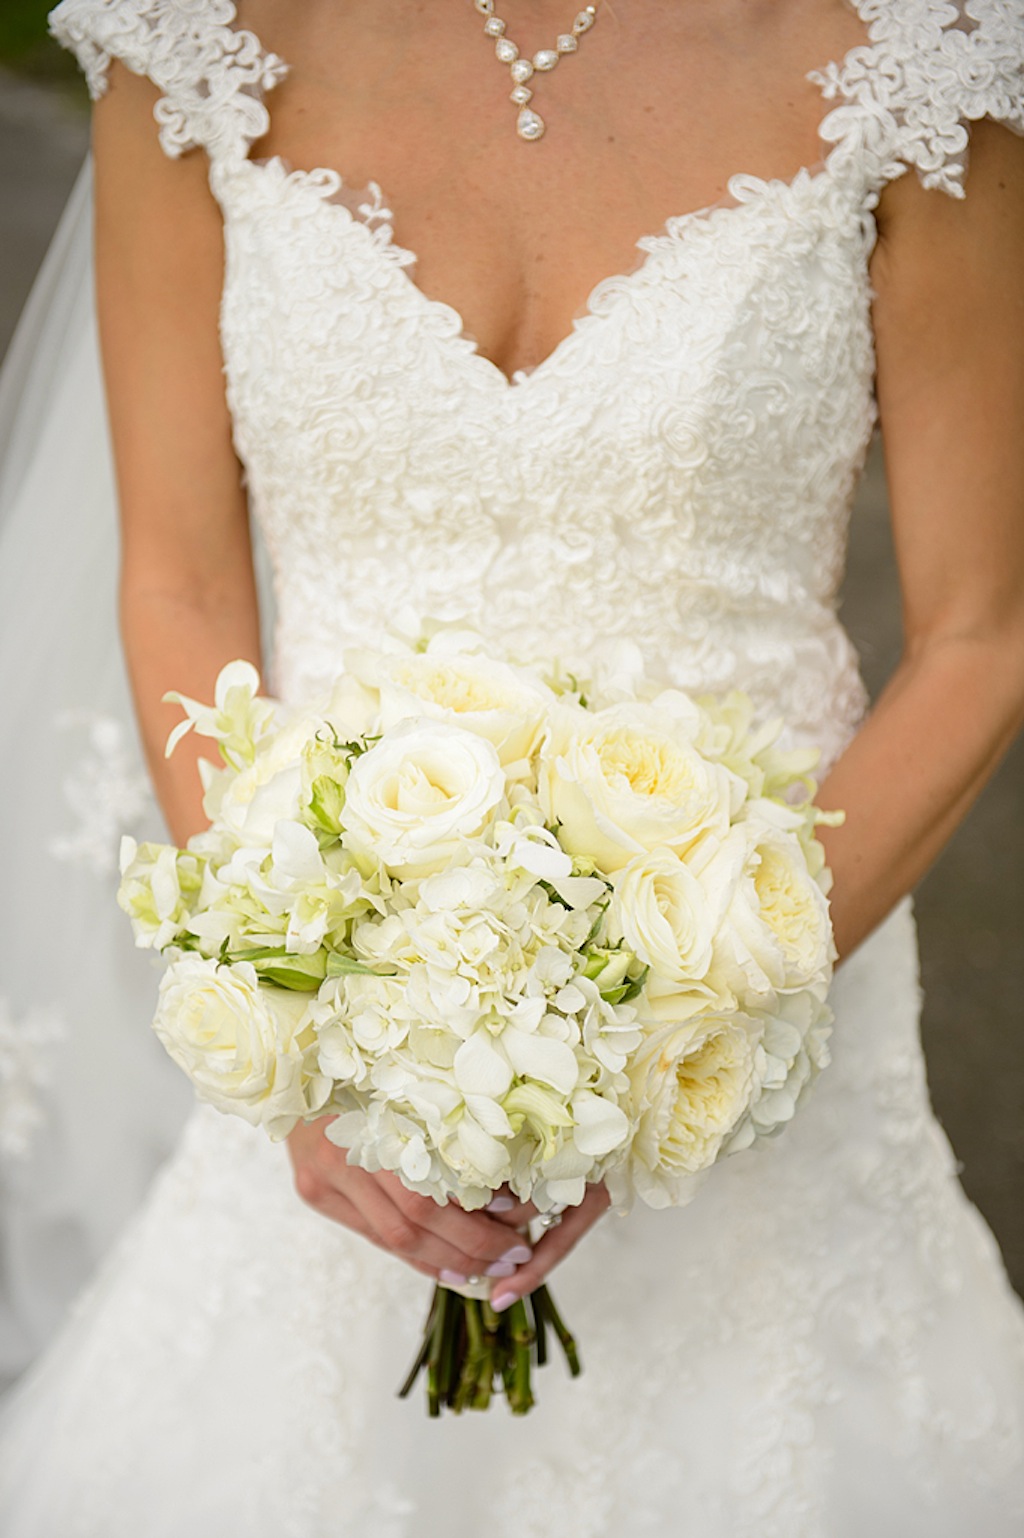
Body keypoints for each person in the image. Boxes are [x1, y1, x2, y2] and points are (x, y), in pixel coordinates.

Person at [0, 0, 1022, 1531]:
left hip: (773, 1050)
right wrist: (314, 1045)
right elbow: (184, 588)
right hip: (351, 1089)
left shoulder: (911, 61)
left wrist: (676, 1030)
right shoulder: (198, 42)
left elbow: (983, 633)